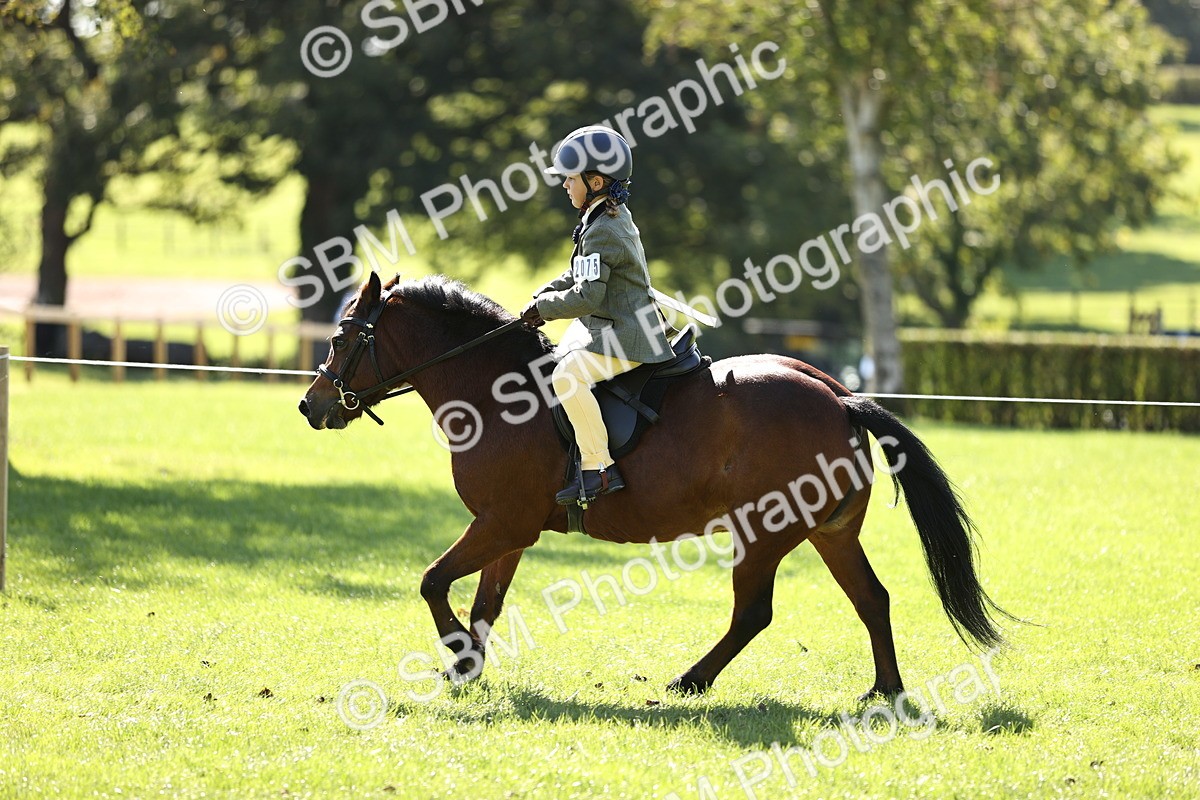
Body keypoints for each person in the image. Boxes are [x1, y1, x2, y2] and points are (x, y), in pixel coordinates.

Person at [521, 125, 673, 505]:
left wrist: (544, 309)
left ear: (596, 180)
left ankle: (598, 470)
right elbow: (579, 272)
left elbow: (587, 297)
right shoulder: (603, 216)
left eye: (570, 179)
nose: (564, 185)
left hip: (628, 335)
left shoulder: (603, 229)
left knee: (567, 375)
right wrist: (544, 293)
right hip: (613, 325)